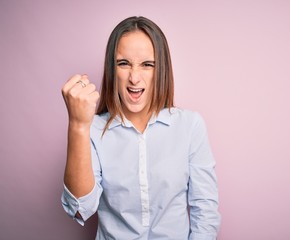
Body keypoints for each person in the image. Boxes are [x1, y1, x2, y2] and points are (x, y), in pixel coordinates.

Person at [61, 16, 220, 239]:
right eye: (123, 63)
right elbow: (80, 209)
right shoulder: (94, 130)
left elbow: (205, 210)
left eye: (147, 64)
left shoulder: (190, 125)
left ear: (161, 69)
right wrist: (78, 125)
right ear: (111, 69)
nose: (134, 78)